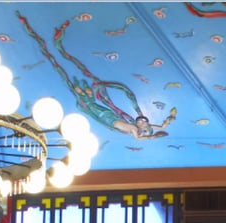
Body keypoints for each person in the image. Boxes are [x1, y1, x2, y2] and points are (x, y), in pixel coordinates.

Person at [17, 13, 176, 139]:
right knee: (74, 70)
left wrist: (152, 136)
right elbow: (159, 127)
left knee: (69, 78)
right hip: (104, 109)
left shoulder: (134, 131)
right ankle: (56, 45)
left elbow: (144, 136)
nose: (142, 123)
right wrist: (168, 120)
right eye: (143, 122)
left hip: (103, 114)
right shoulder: (133, 123)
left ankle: (49, 44)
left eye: (144, 126)